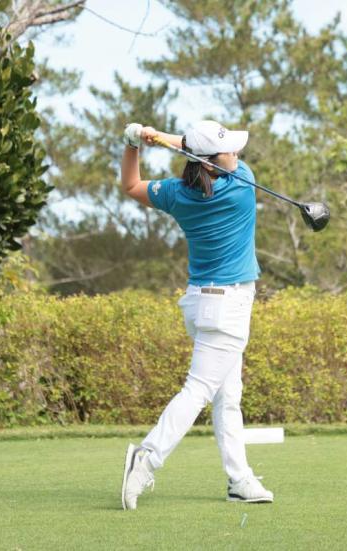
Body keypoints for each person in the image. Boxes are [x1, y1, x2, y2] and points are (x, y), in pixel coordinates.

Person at [118, 120, 274, 510]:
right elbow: (193, 148)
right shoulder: (242, 183)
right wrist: (161, 137)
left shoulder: (176, 193)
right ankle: (147, 457)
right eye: (228, 151)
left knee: (229, 395)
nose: (236, 154)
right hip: (228, 308)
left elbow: (131, 186)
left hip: (200, 303)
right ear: (208, 163)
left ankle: (239, 479)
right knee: (199, 391)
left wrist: (135, 142)